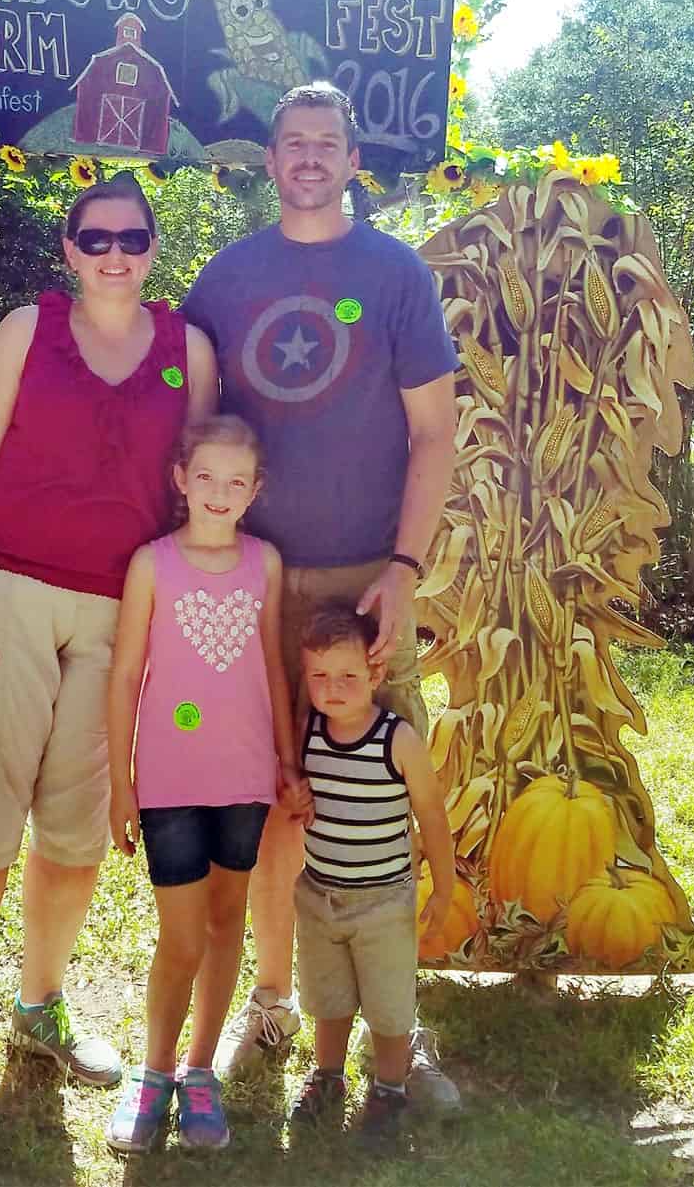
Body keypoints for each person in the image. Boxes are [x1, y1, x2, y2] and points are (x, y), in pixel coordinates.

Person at [0, 174, 217, 1137]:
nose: (115, 253)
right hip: (8, 594)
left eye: (132, 235)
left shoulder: (188, 350)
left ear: (154, 243)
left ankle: (38, 1006)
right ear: (69, 249)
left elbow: (197, 489)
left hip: (117, 611)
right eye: (96, 238)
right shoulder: (26, 331)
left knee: (77, 833)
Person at [181, 82, 462, 1105]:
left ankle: (398, 1021)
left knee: (379, 792)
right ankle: (270, 997)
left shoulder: (394, 275)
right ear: (271, 160)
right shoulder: (226, 276)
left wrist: (404, 566)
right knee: (269, 798)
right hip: (252, 583)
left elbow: (434, 433)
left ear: (353, 161)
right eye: (291, 142)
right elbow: (196, 433)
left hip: (368, 580)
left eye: (326, 143)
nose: (308, 157)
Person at [102, 415, 309, 1153]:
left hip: (246, 777)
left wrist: (286, 761)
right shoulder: (152, 564)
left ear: (255, 491)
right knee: (181, 937)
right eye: (207, 477)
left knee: (227, 925)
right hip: (168, 780)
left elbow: (273, 671)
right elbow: (125, 674)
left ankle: (198, 1074)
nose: (220, 493)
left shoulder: (267, 563)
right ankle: (152, 1074)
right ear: (181, 479)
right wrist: (123, 783)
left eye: (236, 481)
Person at [288, 602, 455, 1136]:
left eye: (347, 676)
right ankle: (327, 1075)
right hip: (319, 895)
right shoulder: (308, 733)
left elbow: (431, 817)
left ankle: (389, 1088)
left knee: (388, 1006)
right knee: (327, 997)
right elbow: (293, 790)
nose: (332, 688)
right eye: (319, 676)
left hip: (384, 900)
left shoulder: (396, 738)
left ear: (375, 674)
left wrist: (443, 890)